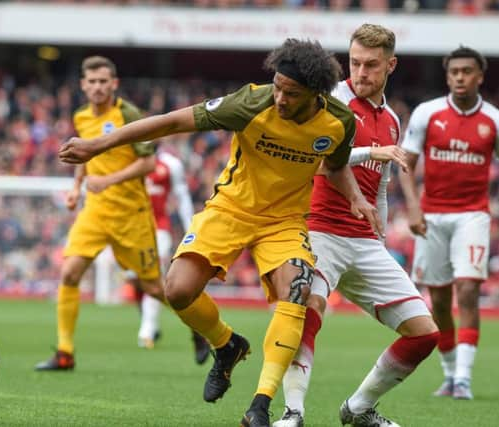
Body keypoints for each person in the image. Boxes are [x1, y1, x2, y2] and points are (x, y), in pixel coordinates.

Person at [59, 38, 382, 427]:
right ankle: (226, 344)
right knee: (176, 290)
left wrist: (357, 198)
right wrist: (99, 144)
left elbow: (336, 163)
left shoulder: (338, 122)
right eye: (277, 86)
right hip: (230, 209)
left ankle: (260, 405)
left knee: (296, 288)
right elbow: (173, 121)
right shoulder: (251, 103)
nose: (279, 97)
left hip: (284, 222)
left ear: (315, 94)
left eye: (290, 93)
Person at [273, 24, 440, 427]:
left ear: (391, 65)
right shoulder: (328, 100)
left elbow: (380, 184)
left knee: (424, 334)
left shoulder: (394, 121)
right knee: (307, 311)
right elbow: (316, 158)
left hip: (364, 240)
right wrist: (371, 150)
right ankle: (292, 412)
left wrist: (379, 231)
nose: (360, 72)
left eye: (371, 65)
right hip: (318, 229)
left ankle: (359, 408)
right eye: (354, 63)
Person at [35, 56, 198, 371]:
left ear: (114, 84)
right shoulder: (81, 116)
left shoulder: (128, 114)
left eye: (102, 81)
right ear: (83, 85)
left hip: (131, 215)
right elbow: (86, 155)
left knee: (153, 288)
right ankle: (65, 353)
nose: (97, 87)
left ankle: (201, 329)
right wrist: (76, 186)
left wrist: (108, 180)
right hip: (95, 213)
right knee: (69, 274)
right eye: (91, 82)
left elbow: (149, 164)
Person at [399, 46, 499, 401]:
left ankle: (464, 379)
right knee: (439, 300)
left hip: (472, 214)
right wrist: (412, 207)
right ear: (447, 76)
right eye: (454, 71)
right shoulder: (428, 114)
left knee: (469, 290)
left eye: (467, 71)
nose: (460, 77)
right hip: (431, 216)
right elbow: (405, 163)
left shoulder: (493, 120)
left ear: (479, 76)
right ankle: (449, 372)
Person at [87, 147, 210, 363]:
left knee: (154, 277)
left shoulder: (170, 165)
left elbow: (180, 196)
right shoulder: (127, 161)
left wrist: (191, 225)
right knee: (137, 281)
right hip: (130, 230)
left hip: (158, 229)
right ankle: (184, 324)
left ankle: (148, 330)